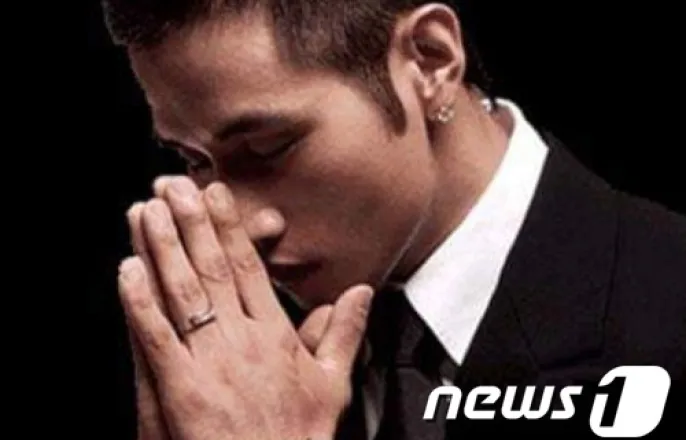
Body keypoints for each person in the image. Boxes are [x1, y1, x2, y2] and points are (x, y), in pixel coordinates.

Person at [101, 0, 686, 438]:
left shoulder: (668, 317)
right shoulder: (214, 372)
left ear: (430, 60)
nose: (245, 225)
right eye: (193, 160)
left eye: (268, 149)